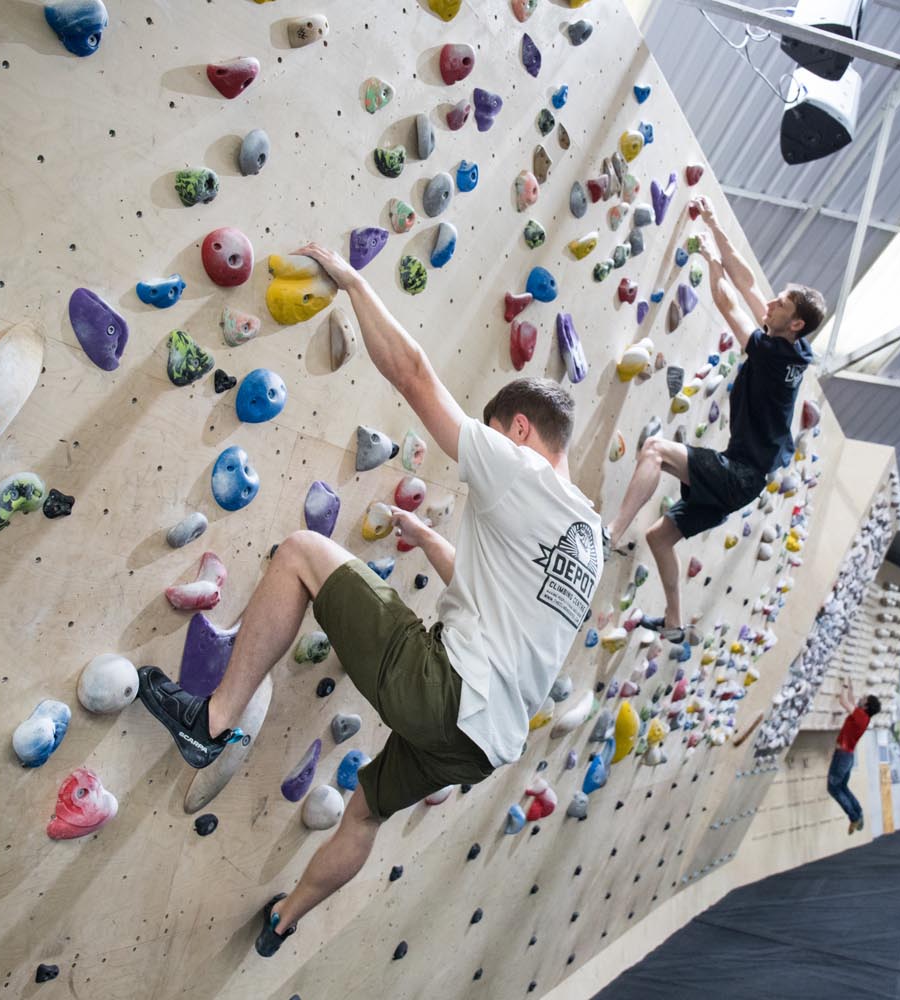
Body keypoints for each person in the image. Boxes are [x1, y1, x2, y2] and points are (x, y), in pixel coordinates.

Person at [135, 243, 603, 957]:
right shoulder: (587, 537)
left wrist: (354, 282)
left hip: (445, 692)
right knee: (362, 815)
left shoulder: (520, 473)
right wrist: (426, 535)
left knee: (299, 554)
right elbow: (488, 596)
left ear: (516, 431)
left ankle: (215, 720)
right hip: (481, 746)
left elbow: (416, 378)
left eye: (492, 434)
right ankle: (284, 920)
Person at [604, 194, 823, 642]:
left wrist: (708, 256)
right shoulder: (791, 348)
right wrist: (714, 225)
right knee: (661, 538)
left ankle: (607, 536)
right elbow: (749, 285)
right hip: (745, 479)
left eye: (780, 302)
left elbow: (728, 300)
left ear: (795, 321)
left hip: (741, 475)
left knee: (655, 449)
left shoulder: (770, 354)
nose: (771, 303)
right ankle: (674, 623)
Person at [830, 680, 880, 833]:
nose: (862, 698)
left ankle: (854, 816)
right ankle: (858, 812)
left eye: (864, 699)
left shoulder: (860, 716)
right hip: (848, 756)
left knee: (833, 787)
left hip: (842, 755)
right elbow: (851, 702)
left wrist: (844, 687)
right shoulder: (863, 717)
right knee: (843, 786)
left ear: (865, 706)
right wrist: (850, 685)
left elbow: (843, 701)